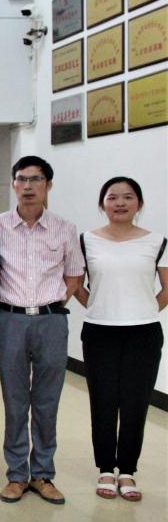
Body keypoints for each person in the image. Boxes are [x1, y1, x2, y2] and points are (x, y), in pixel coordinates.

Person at [0, 156, 84, 505]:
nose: (28, 186)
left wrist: (47, 306)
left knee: (46, 401)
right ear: (13, 184)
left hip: (51, 321)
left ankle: (42, 474)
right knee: (15, 401)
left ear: (48, 185)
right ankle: (16, 475)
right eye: (22, 180)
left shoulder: (64, 228)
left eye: (36, 180)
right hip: (9, 320)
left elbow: (74, 276)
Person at [75, 177, 166, 503]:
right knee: (102, 402)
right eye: (112, 197)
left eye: (128, 197)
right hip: (99, 332)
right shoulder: (86, 241)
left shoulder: (157, 241)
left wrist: (143, 310)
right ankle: (105, 468)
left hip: (143, 333)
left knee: (134, 403)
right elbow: (76, 285)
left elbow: (167, 288)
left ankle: (127, 470)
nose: (120, 203)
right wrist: (99, 307)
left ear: (139, 203)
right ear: (103, 204)